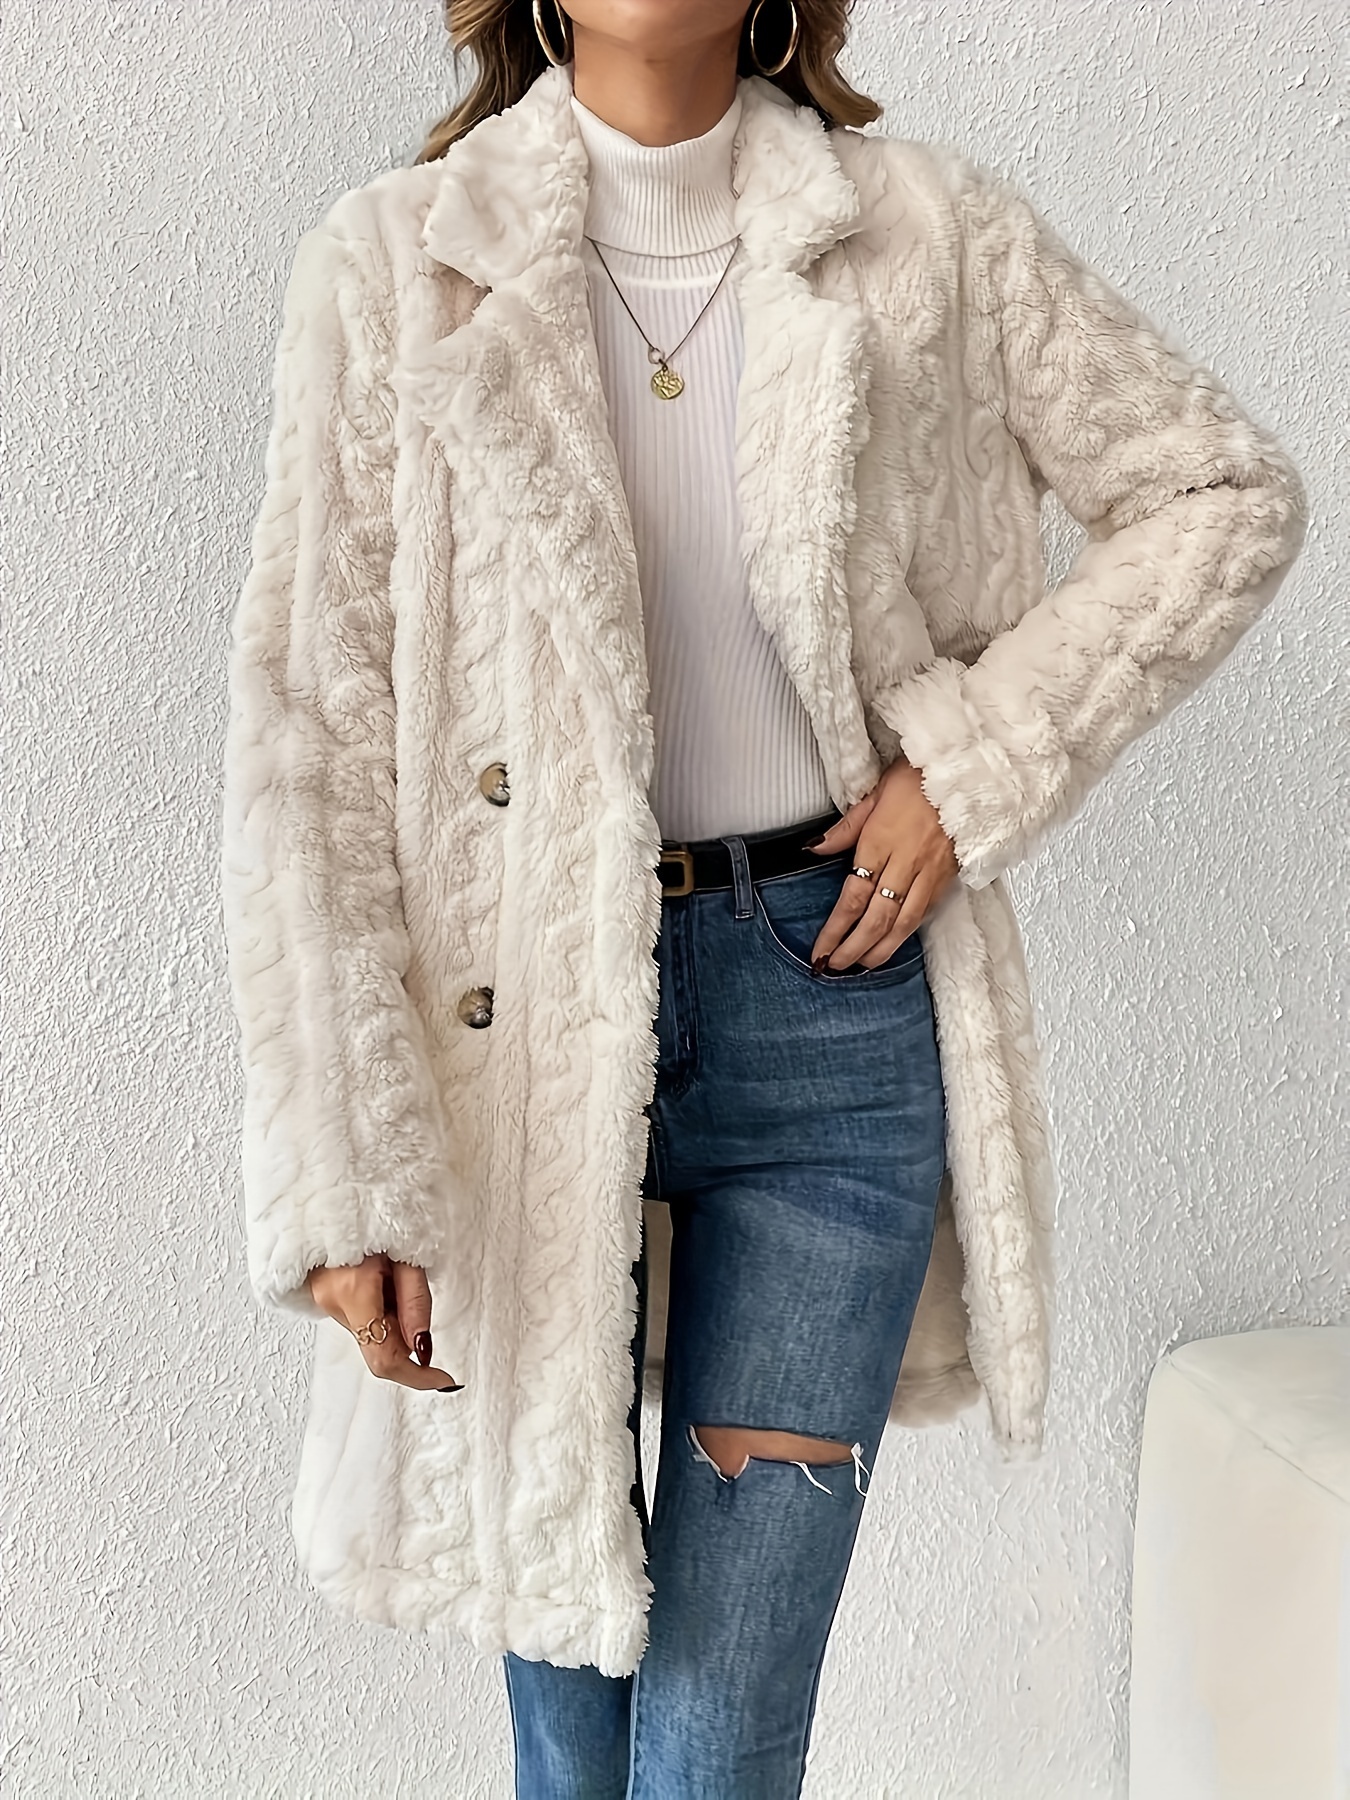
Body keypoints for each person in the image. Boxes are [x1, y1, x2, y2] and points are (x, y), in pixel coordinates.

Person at [220, 1, 1307, 1793]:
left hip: (830, 1015)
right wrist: (346, 1168)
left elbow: (1217, 490)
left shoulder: (928, 236)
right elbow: (311, 741)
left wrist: (967, 766)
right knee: (574, 1724)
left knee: (718, 1736)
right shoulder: (396, 264)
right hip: (516, 1045)